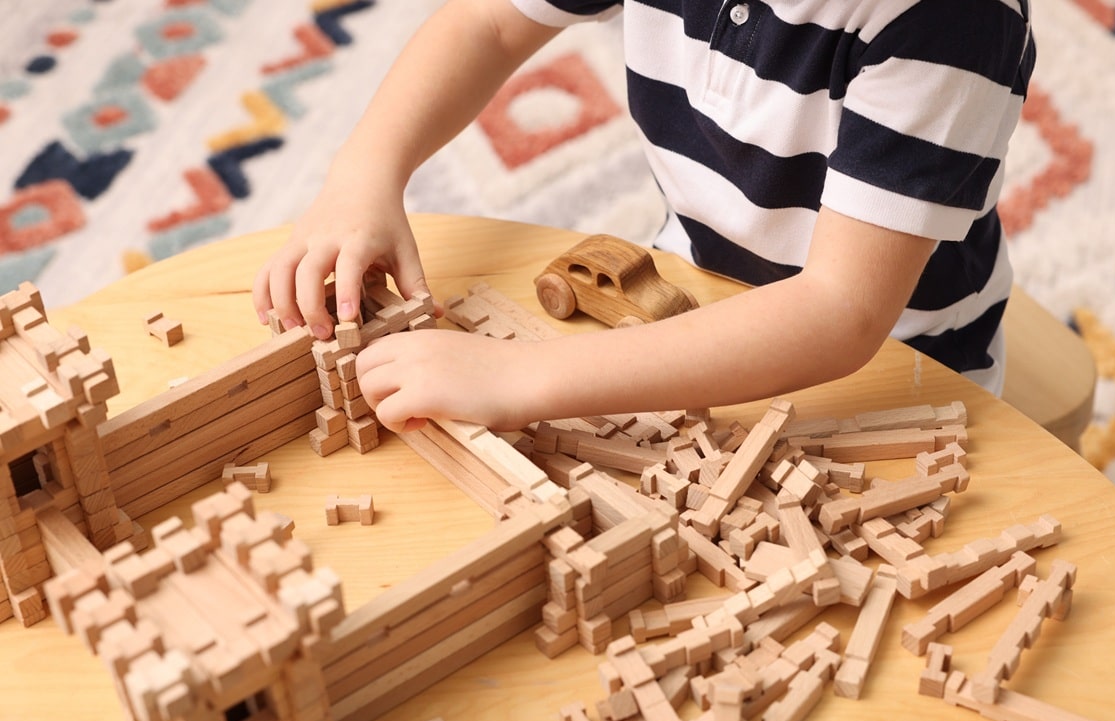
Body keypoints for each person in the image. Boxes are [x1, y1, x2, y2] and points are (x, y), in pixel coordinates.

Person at [253, 0, 1035, 434]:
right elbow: (486, 22)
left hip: (898, 371)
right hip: (693, 281)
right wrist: (364, 171)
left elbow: (841, 313)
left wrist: (520, 378)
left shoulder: (955, 19)